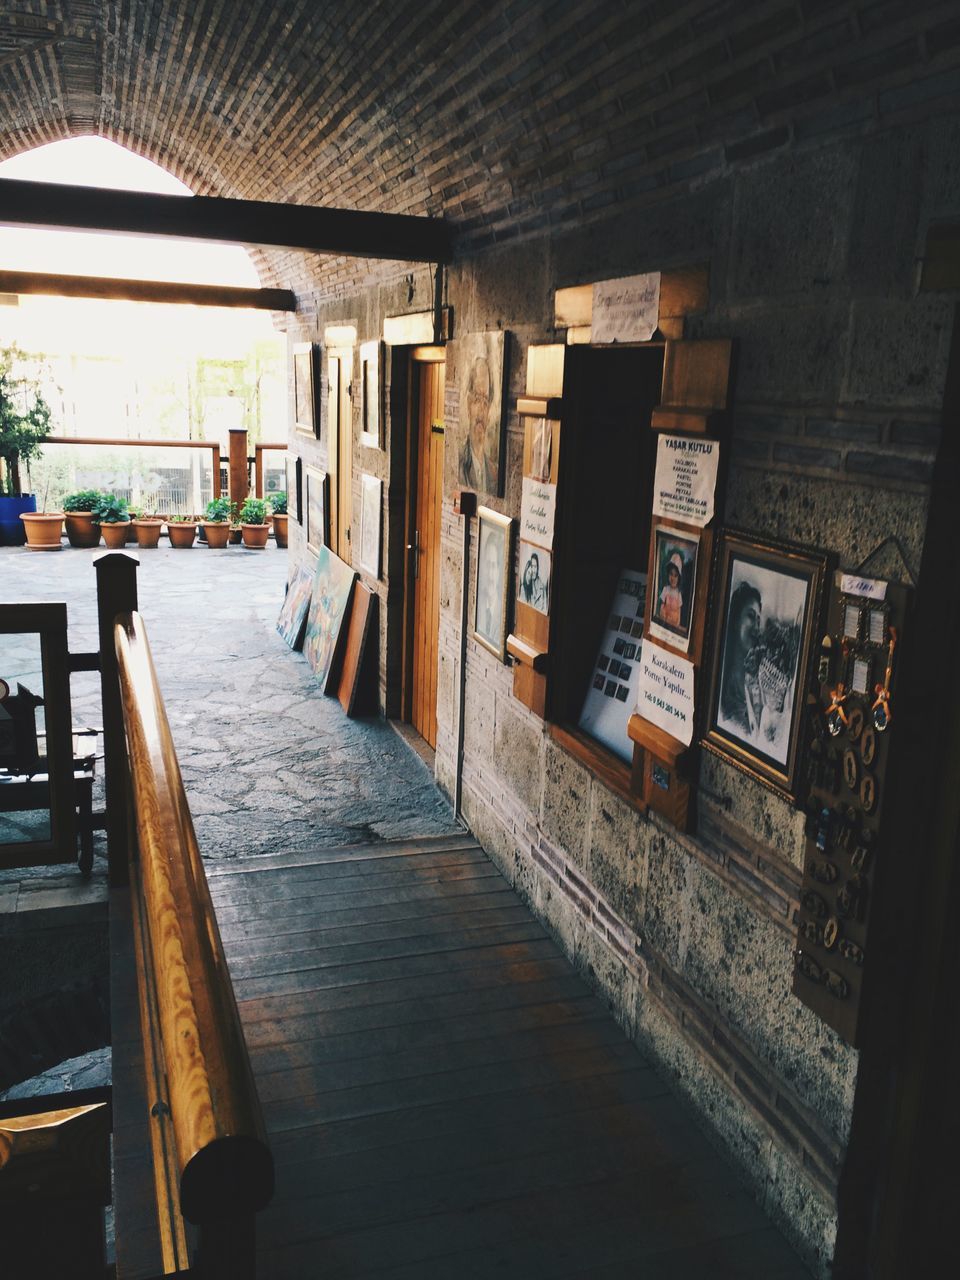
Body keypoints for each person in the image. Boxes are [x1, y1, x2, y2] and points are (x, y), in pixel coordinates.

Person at [719, 580, 762, 736]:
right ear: (736, 620)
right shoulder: (722, 682)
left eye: (759, 620)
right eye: (750, 616)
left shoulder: (758, 680)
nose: (757, 628)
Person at [459, 354, 499, 493]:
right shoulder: (461, 465)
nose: (482, 409)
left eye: (486, 400)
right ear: (469, 405)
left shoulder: (494, 472)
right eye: (477, 399)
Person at [477, 529, 503, 644]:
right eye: (487, 564)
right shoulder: (478, 602)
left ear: (499, 570)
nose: (490, 574)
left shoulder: (501, 611)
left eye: (493, 565)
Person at [657, 551, 684, 629]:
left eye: (675, 575)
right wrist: (663, 617)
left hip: (674, 625)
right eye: (671, 574)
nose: (673, 578)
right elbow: (662, 606)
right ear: (668, 574)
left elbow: (679, 611)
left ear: (679, 578)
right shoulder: (665, 589)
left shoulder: (678, 593)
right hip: (665, 622)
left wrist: (677, 624)